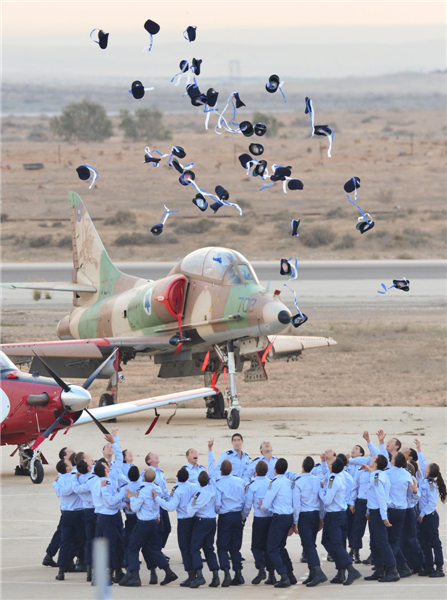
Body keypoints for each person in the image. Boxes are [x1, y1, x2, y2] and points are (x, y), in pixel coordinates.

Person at [119, 468, 178, 587]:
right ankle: (168, 571)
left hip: (143, 523)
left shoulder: (142, 490)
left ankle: (135, 575)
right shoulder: (157, 488)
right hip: (153, 522)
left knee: (132, 548)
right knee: (153, 548)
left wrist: (131, 496)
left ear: (144, 477)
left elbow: (135, 508)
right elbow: (157, 504)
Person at [152, 467, 198, 587]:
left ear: (177, 477)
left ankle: (191, 575)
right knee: (193, 547)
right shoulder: (194, 486)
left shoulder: (177, 489)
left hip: (184, 521)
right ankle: (197, 573)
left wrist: (158, 499)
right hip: (194, 519)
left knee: (185, 548)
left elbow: (171, 506)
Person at [319, 457, 361, 586]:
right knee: (332, 542)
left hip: (335, 515)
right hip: (341, 514)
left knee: (335, 543)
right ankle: (341, 571)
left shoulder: (334, 479)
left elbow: (327, 500)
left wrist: (320, 490)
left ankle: (350, 569)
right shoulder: (342, 476)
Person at [362, 455, 400, 582]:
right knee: (374, 543)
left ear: (377, 464)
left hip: (379, 513)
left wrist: (384, 517)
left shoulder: (377, 477)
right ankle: (379, 569)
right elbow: (371, 497)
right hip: (374, 512)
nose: (372, 459)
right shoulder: (376, 475)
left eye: (374, 458)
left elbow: (381, 497)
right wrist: (368, 511)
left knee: (382, 543)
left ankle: (392, 570)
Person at [260, 457, 295, 588]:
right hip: (288, 516)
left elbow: (266, 503)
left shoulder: (274, 482)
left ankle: (283, 575)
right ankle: (290, 574)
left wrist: (263, 507)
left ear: (274, 469)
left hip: (279, 517)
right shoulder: (289, 482)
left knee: (272, 549)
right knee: (280, 547)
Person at [292, 456, 327, 587]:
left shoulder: (299, 481)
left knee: (308, 545)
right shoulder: (317, 480)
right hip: (315, 515)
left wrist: (295, 521)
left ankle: (317, 572)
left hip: (304, 515)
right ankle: (312, 572)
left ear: (302, 466)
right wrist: (321, 517)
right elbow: (321, 499)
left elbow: (296, 503)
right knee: (310, 543)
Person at [91, 461, 126, 585]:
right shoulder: (106, 483)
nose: (109, 467)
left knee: (107, 545)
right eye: (107, 466)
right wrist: (122, 492)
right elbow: (111, 502)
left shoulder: (95, 482)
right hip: (109, 517)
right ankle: (106, 574)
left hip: (101, 516)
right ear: (105, 470)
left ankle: (113, 571)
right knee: (112, 546)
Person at [213, 459, 245, 586]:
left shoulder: (219, 483)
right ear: (232, 470)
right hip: (237, 514)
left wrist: (218, 511)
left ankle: (226, 572)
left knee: (222, 546)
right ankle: (238, 573)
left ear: (220, 470)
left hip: (225, 516)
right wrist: (242, 515)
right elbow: (244, 499)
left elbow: (217, 502)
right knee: (235, 546)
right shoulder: (239, 481)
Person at [242, 460, 275, 585]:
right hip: (270, 517)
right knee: (268, 546)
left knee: (256, 546)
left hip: (259, 518)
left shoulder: (252, 485)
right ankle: (271, 573)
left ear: (255, 472)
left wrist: (243, 516)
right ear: (267, 471)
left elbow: (248, 504)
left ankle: (261, 568)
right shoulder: (271, 483)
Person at [53, 456, 86, 581]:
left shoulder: (59, 481)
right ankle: (89, 568)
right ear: (67, 468)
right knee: (85, 540)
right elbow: (69, 490)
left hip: (66, 514)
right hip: (78, 513)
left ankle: (61, 569)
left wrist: (55, 483)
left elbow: (60, 492)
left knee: (65, 542)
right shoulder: (73, 478)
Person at [186, 470, 220, 588]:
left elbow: (190, 511)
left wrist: (190, 502)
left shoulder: (199, 494)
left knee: (194, 548)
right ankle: (215, 576)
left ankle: (199, 575)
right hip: (211, 520)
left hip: (202, 521)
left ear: (198, 482)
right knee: (209, 548)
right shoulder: (212, 489)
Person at [42, 447, 75, 568]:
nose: (74, 453)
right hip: (69, 508)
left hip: (66, 507)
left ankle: (50, 555)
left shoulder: (66, 471)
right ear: (65, 458)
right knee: (68, 533)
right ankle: (66, 559)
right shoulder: (67, 473)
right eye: (71, 452)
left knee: (62, 531)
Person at [142, 451, 171, 573]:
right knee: (159, 530)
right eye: (153, 455)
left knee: (167, 528)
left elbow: (164, 489)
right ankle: (157, 553)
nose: (156, 455)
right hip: (155, 504)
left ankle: (158, 551)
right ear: (149, 461)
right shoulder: (146, 472)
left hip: (162, 503)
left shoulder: (161, 472)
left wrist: (168, 500)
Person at [385, 452, 414, 578]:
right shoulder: (407, 474)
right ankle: (403, 566)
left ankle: (392, 566)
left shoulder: (387, 473)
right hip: (402, 509)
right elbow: (410, 494)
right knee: (394, 539)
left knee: (388, 540)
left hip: (390, 509)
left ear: (393, 461)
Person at [418, 462, 446, 578]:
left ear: (429, 470)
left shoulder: (430, 484)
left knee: (434, 542)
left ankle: (439, 567)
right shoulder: (424, 481)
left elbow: (432, 503)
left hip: (430, 516)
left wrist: (422, 514)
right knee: (425, 542)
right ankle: (429, 566)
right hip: (424, 517)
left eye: (427, 466)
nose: (425, 466)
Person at [399, 462, 424, 574]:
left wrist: (414, 490)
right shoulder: (407, 477)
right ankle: (409, 563)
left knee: (411, 539)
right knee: (404, 539)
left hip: (409, 510)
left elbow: (415, 497)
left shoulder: (410, 478)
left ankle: (419, 564)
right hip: (406, 510)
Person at [74, 457, 96, 582]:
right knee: (98, 539)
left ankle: (88, 568)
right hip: (95, 510)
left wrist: (74, 476)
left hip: (86, 511)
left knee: (89, 540)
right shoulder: (92, 479)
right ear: (88, 468)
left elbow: (76, 488)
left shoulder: (78, 479)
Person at [349, 459, 371, 565]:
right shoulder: (360, 472)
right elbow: (355, 487)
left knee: (374, 530)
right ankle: (355, 552)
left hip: (372, 502)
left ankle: (373, 554)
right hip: (361, 502)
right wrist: (352, 503)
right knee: (357, 528)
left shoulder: (376, 474)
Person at [121, 466, 141, 570]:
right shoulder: (142, 486)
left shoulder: (125, 487)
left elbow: (122, 499)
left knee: (128, 542)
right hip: (140, 517)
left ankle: (127, 563)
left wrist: (126, 504)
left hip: (130, 517)